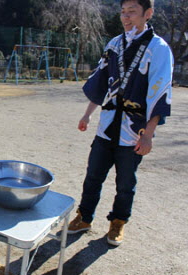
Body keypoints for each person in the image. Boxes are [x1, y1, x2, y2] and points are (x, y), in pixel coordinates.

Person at [68, 0, 173, 246]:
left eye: (132, 12)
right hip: (107, 123)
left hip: (135, 128)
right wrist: (88, 114)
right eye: (123, 12)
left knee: (125, 182)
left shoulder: (159, 48)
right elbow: (101, 82)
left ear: (148, 13)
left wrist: (148, 134)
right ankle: (84, 217)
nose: (126, 18)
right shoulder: (114, 44)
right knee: (93, 175)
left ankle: (118, 223)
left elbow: (160, 91)